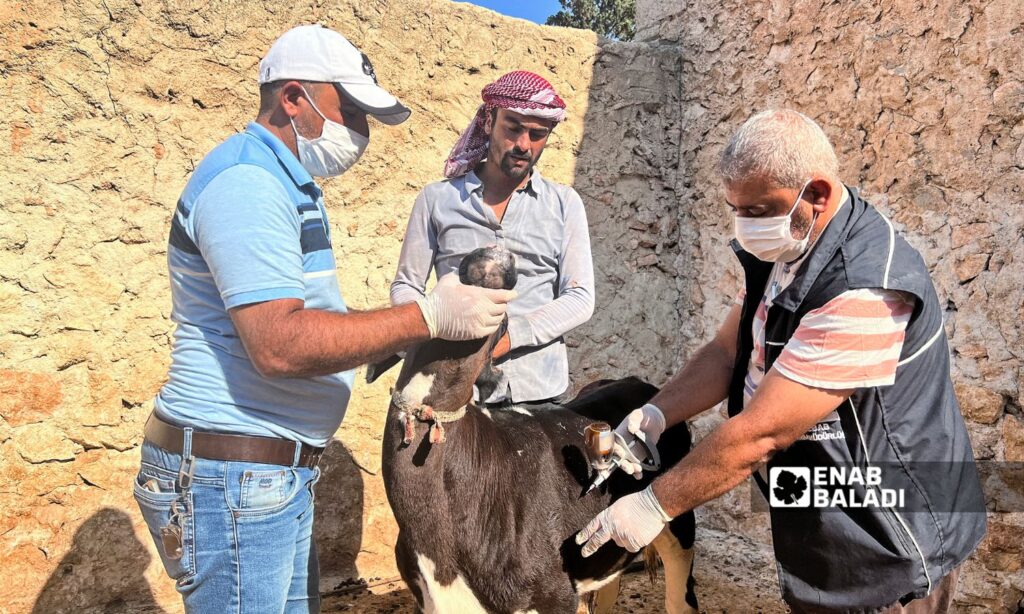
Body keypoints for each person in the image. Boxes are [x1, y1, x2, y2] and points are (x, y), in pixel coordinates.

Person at [133, 25, 515, 613]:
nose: (359, 132)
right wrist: (427, 316)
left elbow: (310, 320)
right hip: (232, 477)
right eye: (350, 111)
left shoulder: (287, 184)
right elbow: (279, 344)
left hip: (262, 473)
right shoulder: (247, 185)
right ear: (293, 99)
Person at [576, 109, 986, 612]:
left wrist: (653, 504)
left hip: (889, 530)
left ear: (817, 194)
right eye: (737, 210)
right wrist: (656, 414)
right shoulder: (793, 248)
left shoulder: (863, 289)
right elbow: (731, 350)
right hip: (829, 502)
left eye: (758, 211)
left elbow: (762, 434)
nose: (746, 226)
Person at [390, 71, 595, 406]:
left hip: (538, 395)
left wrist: (509, 337)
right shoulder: (437, 200)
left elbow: (580, 298)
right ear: (488, 122)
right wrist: (430, 333)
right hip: (454, 391)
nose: (523, 144)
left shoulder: (564, 204)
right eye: (512, 127)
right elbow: (406, 285)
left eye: (537, 134)